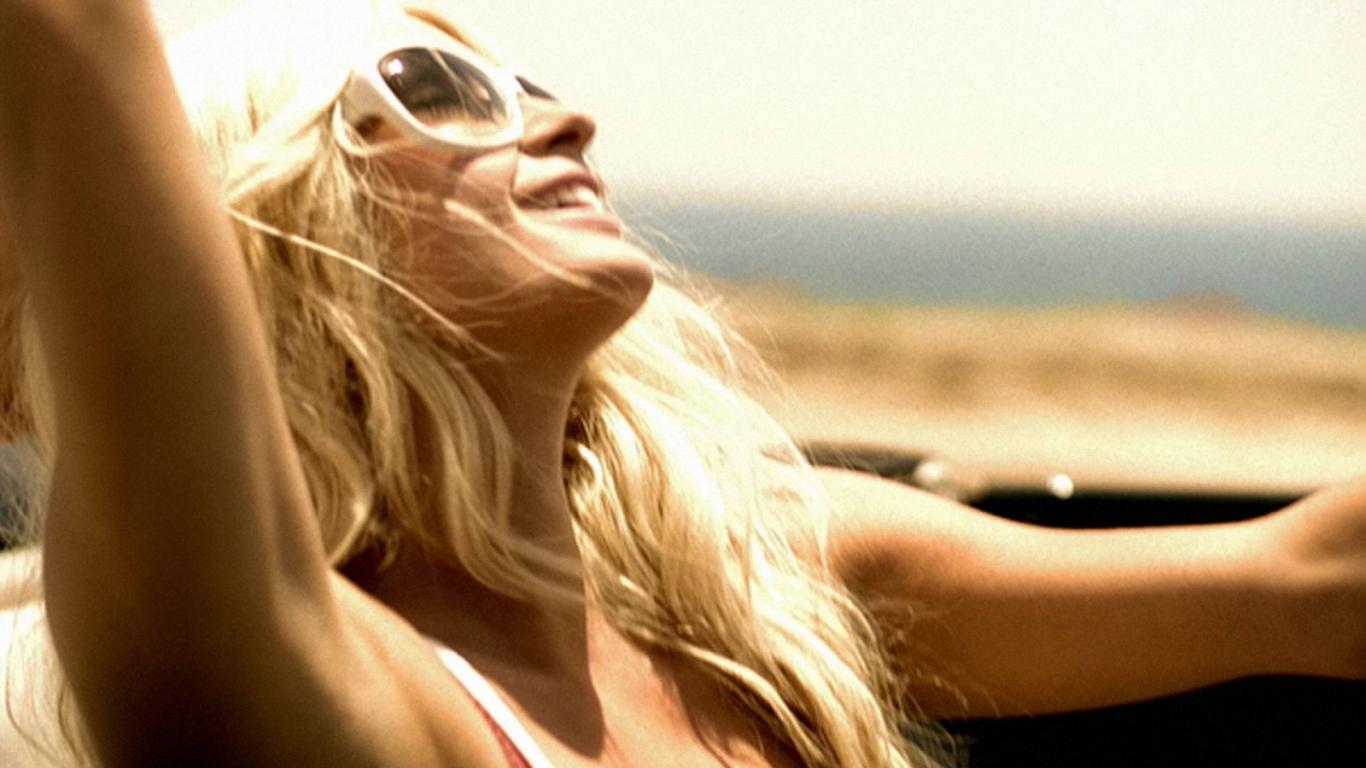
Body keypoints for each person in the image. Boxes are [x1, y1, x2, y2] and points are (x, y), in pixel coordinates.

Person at [0, 0, 1363, 765]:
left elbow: (1310, 579)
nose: (565, 117)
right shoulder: (304, 673)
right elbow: (71, 47)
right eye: (440, 88)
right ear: (267, 220)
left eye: (526, 80)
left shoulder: (751, 571)